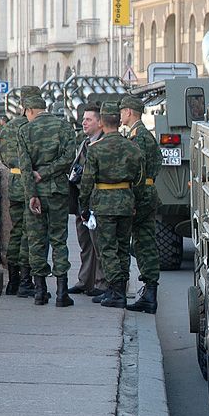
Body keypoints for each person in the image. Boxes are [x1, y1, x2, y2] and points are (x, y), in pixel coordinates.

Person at [78, 102, 143, 309]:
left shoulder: (96, 149)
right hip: (126, 201)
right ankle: (119, 290)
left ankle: (116, 290)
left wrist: (83, 207)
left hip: (104, 204)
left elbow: (87, 181)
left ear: (103, 123)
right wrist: (134, 200)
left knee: (107, 249)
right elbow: (140, 178)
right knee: (123, 249)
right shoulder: (132, 147)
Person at [17, 91, 77, 306]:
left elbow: (25, 167)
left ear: (30, 110)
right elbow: (70, 157)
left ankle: (40, 292)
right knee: (59, 239)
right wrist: (49, 171)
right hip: (58, 191)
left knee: (36, 240)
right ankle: (62, 293)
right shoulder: (64, 127)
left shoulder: (25, 131)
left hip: (36, 193)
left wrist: (32, 193)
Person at [119, 95, 162, 314]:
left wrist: (133, 198)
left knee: (143, 243)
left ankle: (149, 294)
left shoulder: (138, 137)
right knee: (145, 241)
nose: (120, 115)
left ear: (129, 112)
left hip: (141, 193)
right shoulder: (144, 135)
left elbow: (137, 169)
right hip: (148, 190)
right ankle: (149, 293)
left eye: (122, 111)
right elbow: (158, 161)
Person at [0, 86, 40, 297]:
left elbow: (4, 158)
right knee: (29, 233)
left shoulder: (7, 128)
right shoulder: (33, 127)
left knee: (16, 231)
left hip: (14, 182)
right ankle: (26, 280)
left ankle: (12, 281)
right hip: (31, 182)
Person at [67, 103, 109, 297]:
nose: (83, 122)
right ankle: (85, 281)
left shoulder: (104, 143)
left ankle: (101, 283)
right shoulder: (85, 142)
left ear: (100, 123)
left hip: (96, 202)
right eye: (83, 119)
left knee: (99, 244)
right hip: (82, 202)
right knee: (85, 244)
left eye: (88, 119)